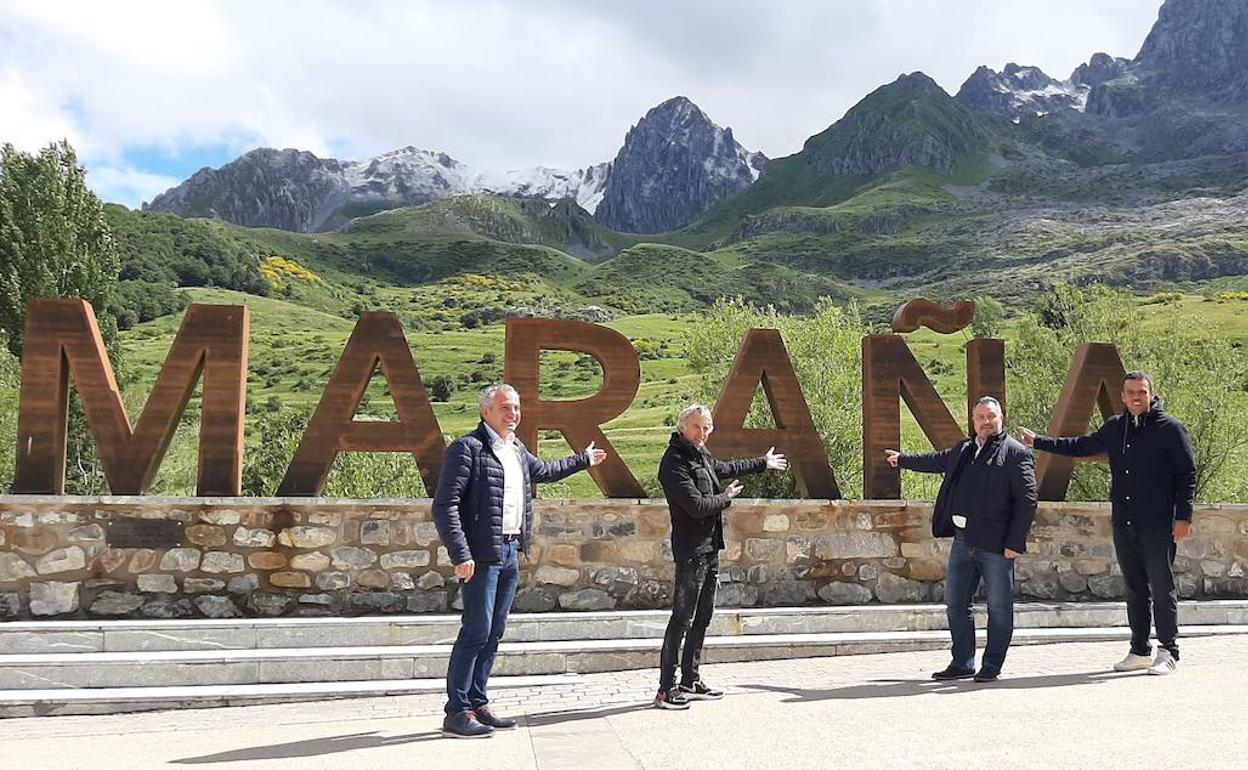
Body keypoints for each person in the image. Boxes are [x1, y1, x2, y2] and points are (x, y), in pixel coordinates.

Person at [433, 383, 607, 737]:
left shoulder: (515, 449)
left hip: (510, 551)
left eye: (516, 408)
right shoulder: (467, 449)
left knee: (494, 631)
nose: (513, 414)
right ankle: (456, 711)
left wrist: (583, 459)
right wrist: (461, 553)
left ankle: (478, 702)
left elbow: (544, 471)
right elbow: (445, 506)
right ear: (486, 412)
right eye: (505, 408)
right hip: (481, 555)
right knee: (476, 631)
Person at [1021, 371, 1196, 676]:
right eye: (1131, 393)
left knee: (1161, 586)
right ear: (1123, 397)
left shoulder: (1171, 429)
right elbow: (1081, 445)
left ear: (1151, 394)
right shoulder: (1116, 428)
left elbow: (1187, 474)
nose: (1136, 397)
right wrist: (1039, 441)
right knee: (1134, 587)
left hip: (1158, 524)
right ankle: (1140, 650)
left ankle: (1169, 651)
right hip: (1124, 523)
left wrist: (1183, 517)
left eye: (1142, 392)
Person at [885, 396, 1037, 683]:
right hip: (963, 541)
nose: (986, 422)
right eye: (980, 417)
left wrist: (1014, 543)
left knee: (999, 607)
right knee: (955, 602)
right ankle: (962, 662)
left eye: (991, 417)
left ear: (1001, 418)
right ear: (973, 420)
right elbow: (937, 460)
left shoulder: (1016, 453)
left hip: (996, 545)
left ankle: (991, 664)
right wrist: (902, 460)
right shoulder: (965, 449)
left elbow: (1028, 501)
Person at [654, 404, 789, 709]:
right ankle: (665, 688)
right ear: (682, 427)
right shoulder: (674, 462)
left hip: (710, 548)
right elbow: (696, 505)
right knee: (682, 619)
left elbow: (725, 468)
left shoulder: (700, 455)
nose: (702, 433)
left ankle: (690, 679)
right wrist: (725, 499)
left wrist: (761, 463)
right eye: (697, 427)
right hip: (690, 551)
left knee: (703, 617)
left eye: (707, 428)